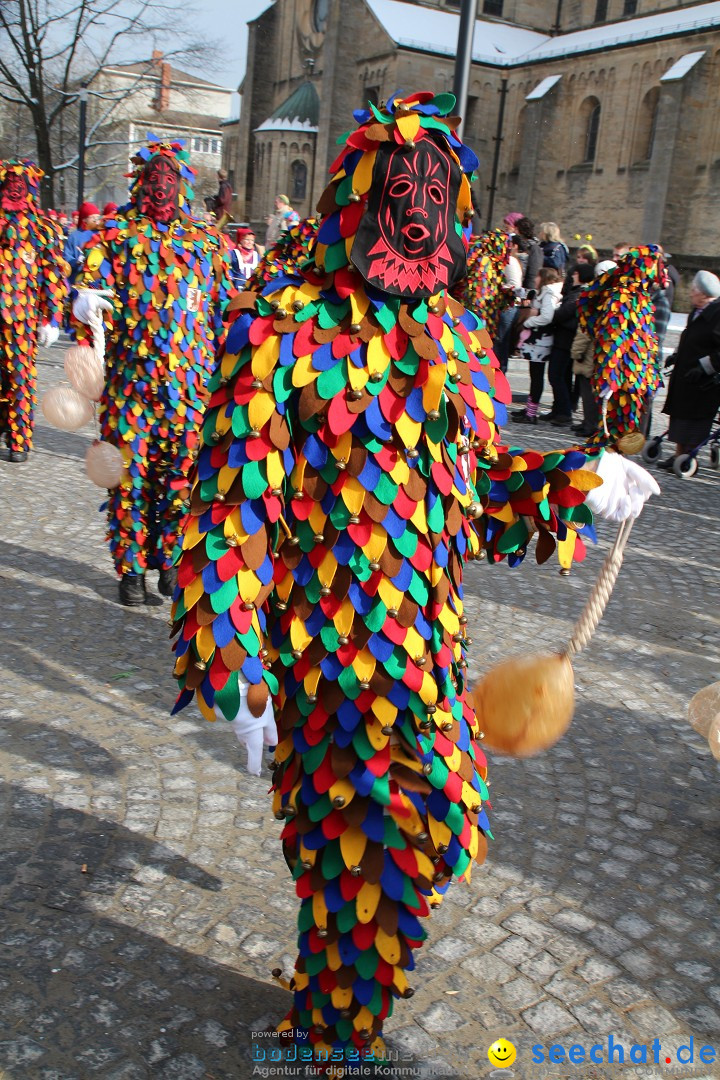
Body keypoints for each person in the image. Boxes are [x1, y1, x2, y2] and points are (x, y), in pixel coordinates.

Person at [169, 90, 659, 1070]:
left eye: (440, 194)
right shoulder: (284, 328)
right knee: (378, 850)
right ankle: (331, 1037)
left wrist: (578, 479)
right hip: (330, 663)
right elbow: (231, 512)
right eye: (403, 190)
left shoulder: (456, 338)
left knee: (429, 834)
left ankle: (332, 996)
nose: (421, 213)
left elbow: (467, 494)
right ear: (362, 199)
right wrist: (234, 661)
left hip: (427, 654)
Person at [70, 136, 236, 606]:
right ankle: (129, 569)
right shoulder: (116, 239)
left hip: (188, 389)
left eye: (170, 176)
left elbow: (226, 312)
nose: (161, 185)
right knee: (128, 474)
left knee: (181, 475)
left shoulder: (207, 245)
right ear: (140, 183)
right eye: (153, 177)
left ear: (183, 183)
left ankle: (168, 562)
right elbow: (87, 294)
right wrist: (83, 305)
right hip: (130, 386)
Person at [0, 159, 68, 463]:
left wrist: (51, 317)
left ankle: (19, 439)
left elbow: (53, 274)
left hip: (22, 320)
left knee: (19, 377)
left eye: (20, 183)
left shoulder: (42, 228)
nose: (14, 189)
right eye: (9, 183)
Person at [577, 246, 663, 447]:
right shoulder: (621, 298)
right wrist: (609, 377)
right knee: (615, 433)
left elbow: (647, 340)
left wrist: (652, 373)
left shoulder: (642, 299)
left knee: (628, 433)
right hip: (620, 379)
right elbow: (613, 338)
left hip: (637, 378)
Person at [659, 270, 720, 470]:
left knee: (694, 421)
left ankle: (689, 456)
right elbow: (689, 337)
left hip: (703, 381)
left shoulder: (716, 315)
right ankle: (678, 454)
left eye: (694, 289)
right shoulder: (696, 312)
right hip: (685, 375)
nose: (690, 292)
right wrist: (676, 355)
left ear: (704, 294)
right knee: (680, 416)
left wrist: (705, 367)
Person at [543, 262, 595, 427]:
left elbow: (564, 314)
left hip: (566, 340)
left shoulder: (580, 294)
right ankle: (559, 409)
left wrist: (554, 314)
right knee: (561, 377)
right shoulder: (577, 293)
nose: (572, 277)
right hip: (564, 339)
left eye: (574, 274)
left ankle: (564, 412)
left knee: (556, 375)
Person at [512, 267, 563, 423]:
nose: (535, 280)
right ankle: (529, 408)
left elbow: (547, 316)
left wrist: (529, 322)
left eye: (537, 277)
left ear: (543, 278)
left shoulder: (548, 292)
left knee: (536, 376)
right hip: (538, 340)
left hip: (540, 340)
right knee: (534, 375)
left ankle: (531, 413)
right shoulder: (546, 292)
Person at [64, 201, 102, 283]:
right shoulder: (74, 236)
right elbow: (67, 258)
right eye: (93, 217)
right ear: (84, 219)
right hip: (79, 280)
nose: (96, 220)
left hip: (98, 280)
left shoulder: (101, 234)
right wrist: (77, 262)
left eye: (97, 217)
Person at [514, 215, 543, 289]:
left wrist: (529, 291)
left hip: (526, 288)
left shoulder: (534, 248)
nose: (514, 232)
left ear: (522, 230)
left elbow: (534, 270)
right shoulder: (518, 245)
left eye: (516, 229)